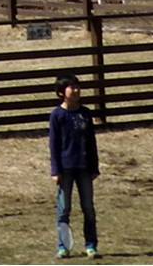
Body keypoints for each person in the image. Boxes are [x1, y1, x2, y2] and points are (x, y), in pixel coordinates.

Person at [48, 73, 100, 259]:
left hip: (85, 167)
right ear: (62, 92)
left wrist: (95, 166)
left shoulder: (85, 113)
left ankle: (91, 245)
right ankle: (64, 246)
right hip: (66, 168)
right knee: (64, 209)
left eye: (78, 86)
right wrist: (55, 170)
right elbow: (53, 145)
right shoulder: (57, 115)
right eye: (72, 87)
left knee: (88, 207)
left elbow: (91, 142)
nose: (76, 90)